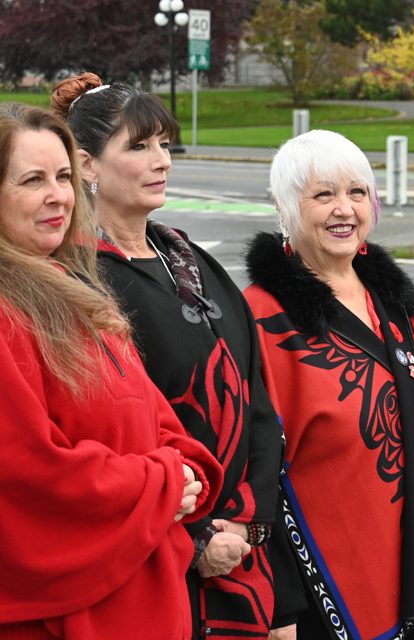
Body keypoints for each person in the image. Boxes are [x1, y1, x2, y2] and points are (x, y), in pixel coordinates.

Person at [50, 72, 286, 640]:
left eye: (164, 144)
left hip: (241, 551)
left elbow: (255, 396)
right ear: (86, 165)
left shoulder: (189, 258)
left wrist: (246, 523)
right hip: (156, 557)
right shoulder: (74, 281)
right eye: (139, 146)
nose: (161, 160)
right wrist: (196, 537)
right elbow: (110, 431)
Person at [243, 130, 414, 639]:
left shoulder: (393, 306)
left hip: (409, 567)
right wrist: (278, 604)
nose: (343, 209)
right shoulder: (263, 319)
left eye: (356, 192)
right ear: (285, 209)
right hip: (319, 581)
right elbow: (255, 468)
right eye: (323, 195)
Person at [0, 102, 221, 638]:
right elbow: (30, 474)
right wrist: (167, 482)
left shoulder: (70, 290)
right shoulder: (7, 315)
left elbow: (154, 414)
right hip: (71, 617)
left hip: (142, 600)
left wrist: (186, 467)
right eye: (33, 180)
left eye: (63, 177)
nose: (59, 195)